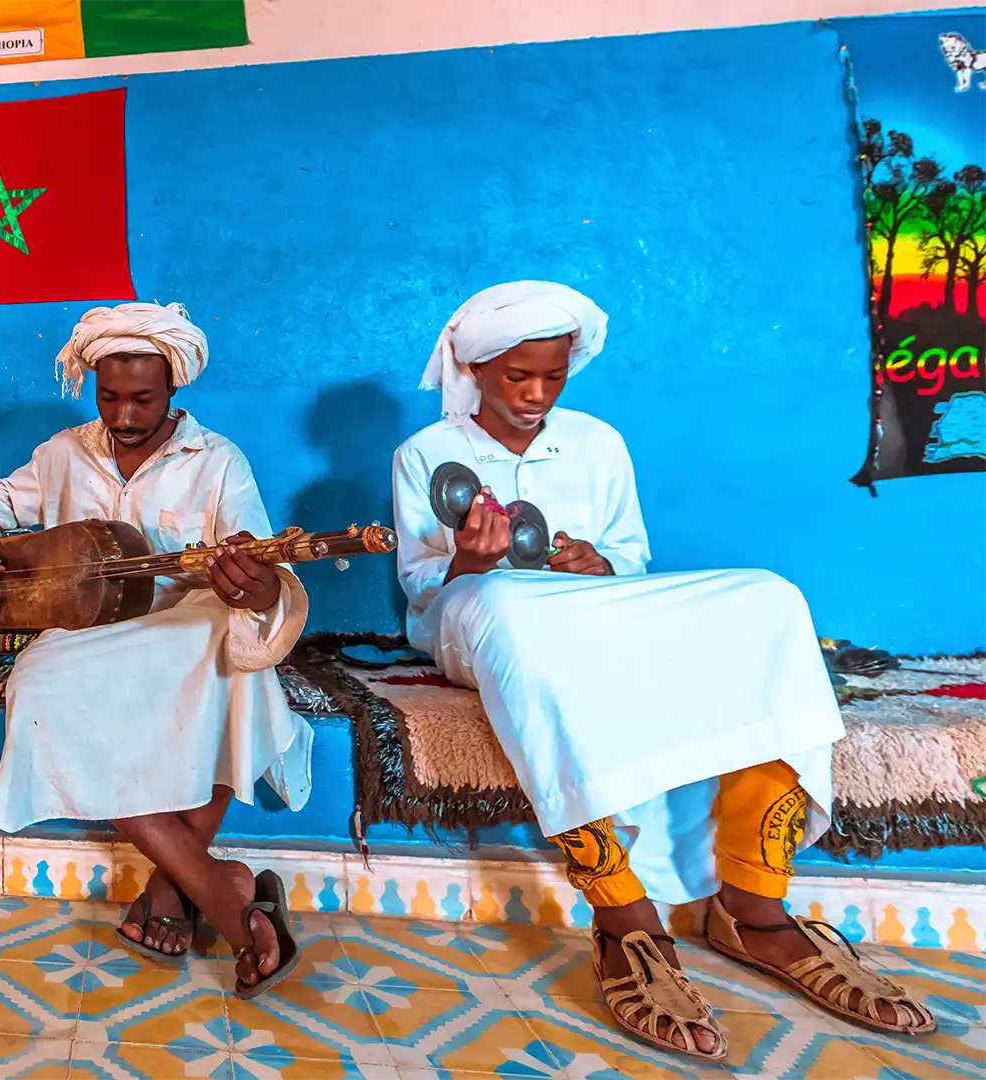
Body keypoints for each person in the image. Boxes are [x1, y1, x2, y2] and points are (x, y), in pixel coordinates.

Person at [391, 281, 934, 1058]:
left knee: (769, 599)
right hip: (481, 617)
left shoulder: (598, 442)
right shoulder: (424, 455)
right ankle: (623, 919)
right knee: (512, 606)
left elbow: (635, 563)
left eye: (554, 376)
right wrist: (465, 564)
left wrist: (598, 565)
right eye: (519, 377)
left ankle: (756, 907)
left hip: (595, 612)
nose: (538, 394)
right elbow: (420, 597)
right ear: (475, 369)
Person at [0, 302, 309, 999]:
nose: (125, 415)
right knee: (41, 687)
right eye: (109, 397)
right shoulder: (60, 454)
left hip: (191, 618)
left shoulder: (218, 460)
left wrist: (255, 584)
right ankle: (216, 881)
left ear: (173, 387)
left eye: (143, 398)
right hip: (92, 625)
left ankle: (173, 885)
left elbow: (260, 564)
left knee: (233, 667)